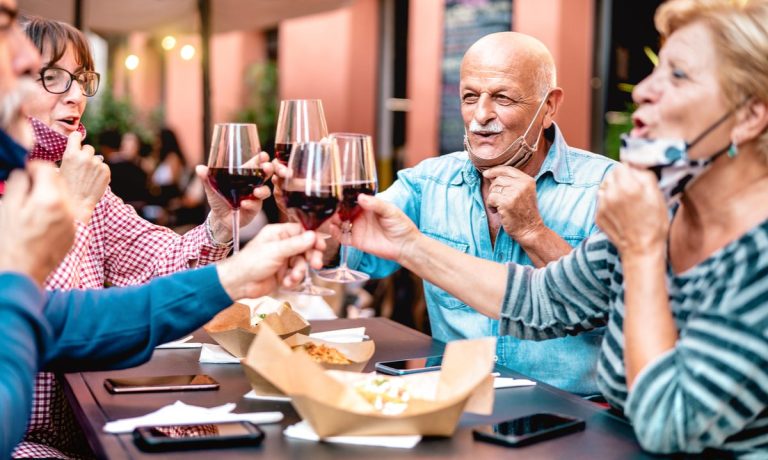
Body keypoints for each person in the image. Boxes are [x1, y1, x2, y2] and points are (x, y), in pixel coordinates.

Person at [341, 0, 768, 455]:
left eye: (678, 75)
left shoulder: (750, 253)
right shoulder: (657, 209)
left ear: (748, 117)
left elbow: (670, 423)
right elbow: (543, 301)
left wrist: (641, 250)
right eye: (656, 70)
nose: (643, 90)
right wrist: (407, 245)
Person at [0, 4, 323, 457]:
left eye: (82, 80)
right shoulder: (67, 186)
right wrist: (73, 210)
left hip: (89, 424)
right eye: (52, 77)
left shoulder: (74, 176)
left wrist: (217, 227)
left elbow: (154, 267)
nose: (75, 97)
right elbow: (38, 324)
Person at [290, 32, 616, 396]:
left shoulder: (608, 188)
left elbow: (613, 311)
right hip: (451, 401)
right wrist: (309, 217)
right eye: (470, 97)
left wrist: (533, 230)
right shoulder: (427, 181)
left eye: (502, 98)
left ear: (549, 106)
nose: (480, 116)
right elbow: (349, 255)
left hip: (570, 411)